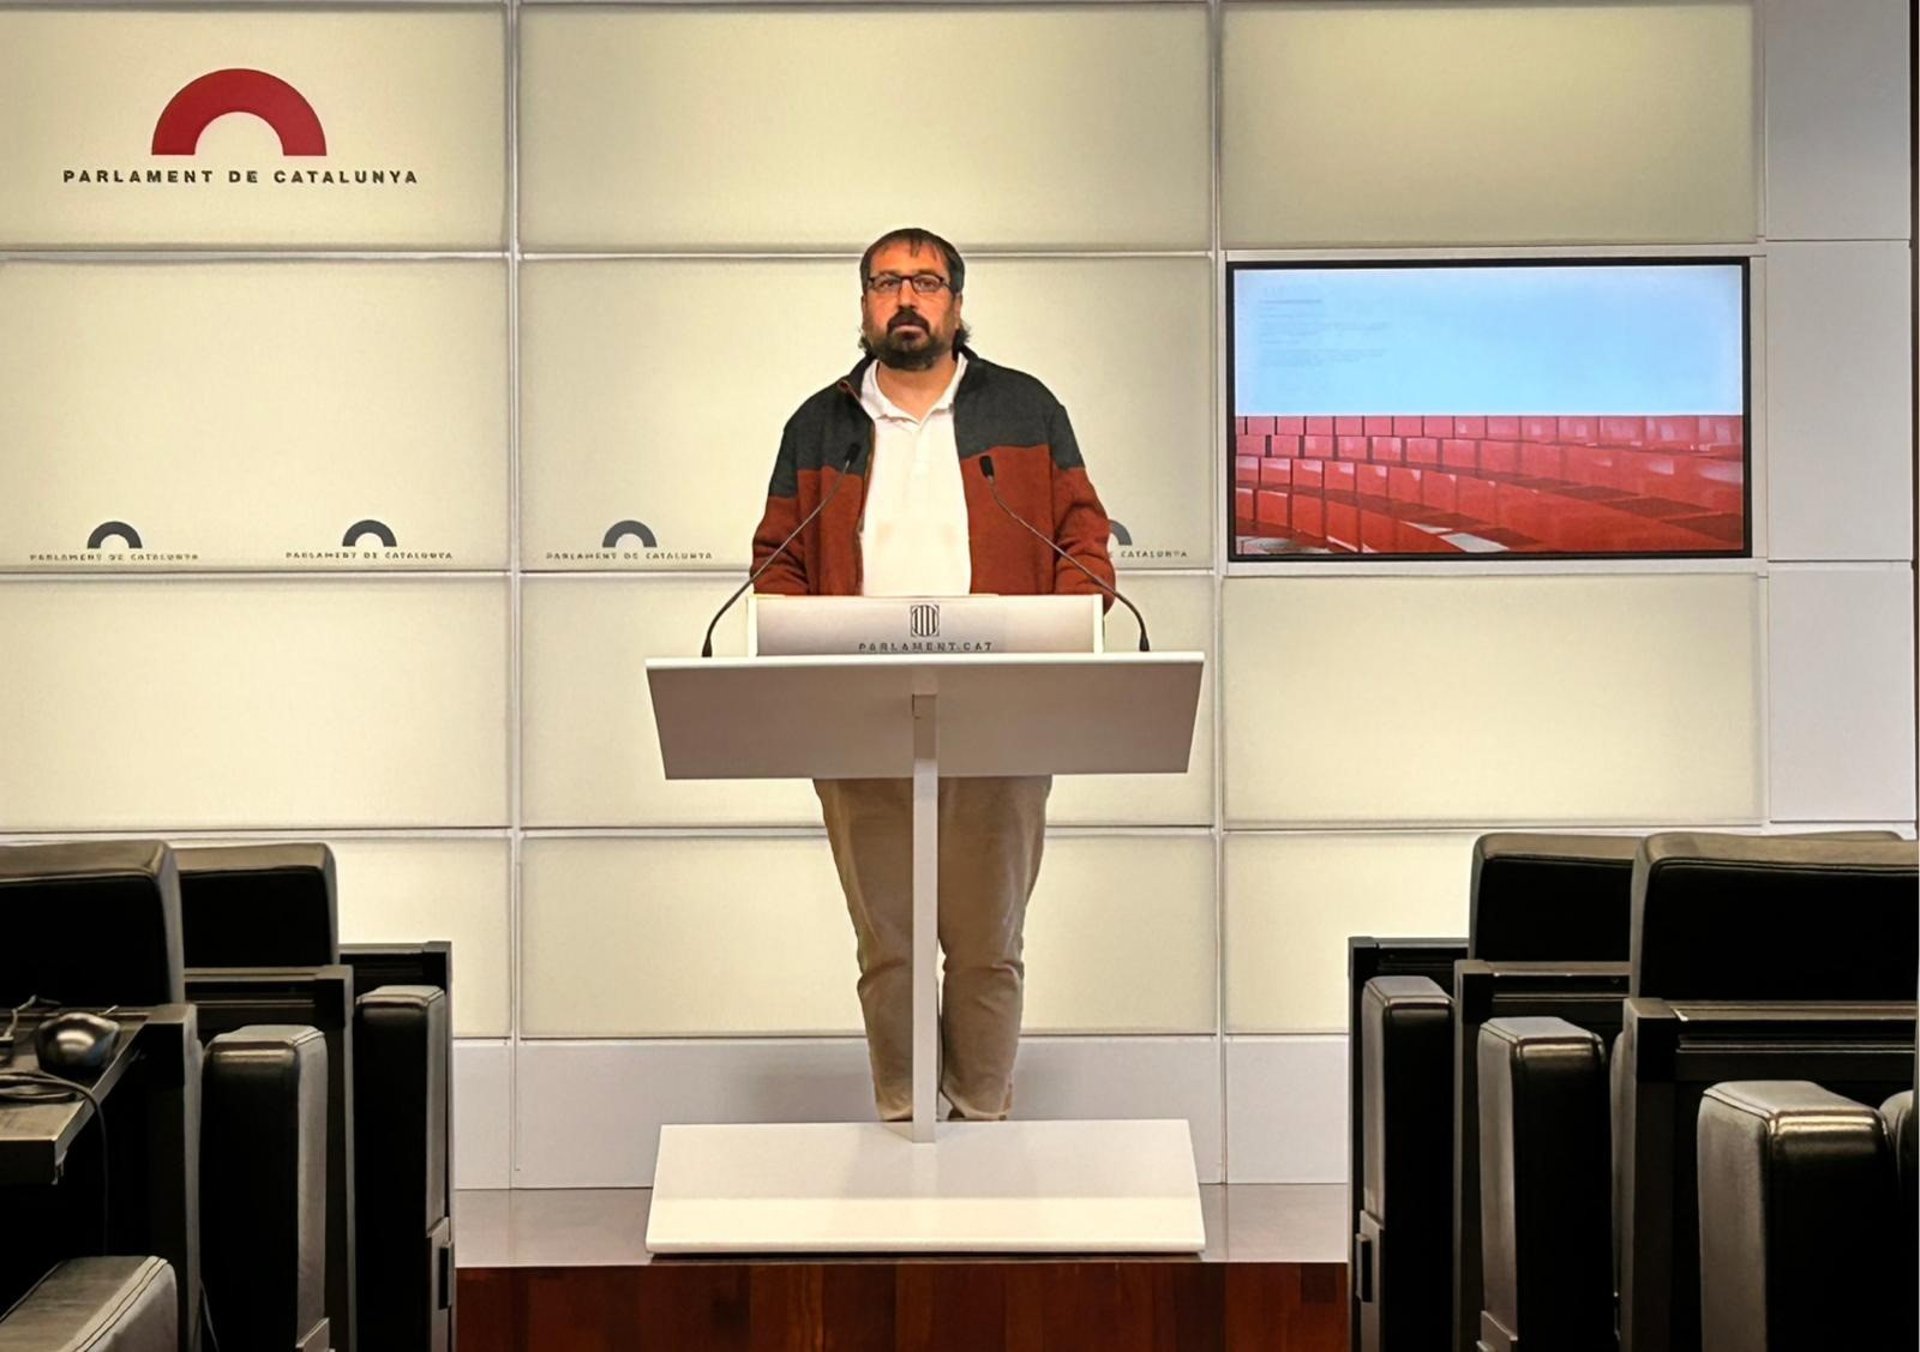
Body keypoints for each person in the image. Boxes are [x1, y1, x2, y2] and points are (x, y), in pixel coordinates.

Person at [748, 226, 1115, 1122]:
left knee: (988, 945)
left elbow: (1085, 542)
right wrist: (801, 635)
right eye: (886, 283)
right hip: (859, 719)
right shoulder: (821, 424)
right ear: (864, 304)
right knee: (890, 948)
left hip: (1003, 715)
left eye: (925, 281)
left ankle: (981, 1117)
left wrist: (1059, 631)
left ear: (956, 302)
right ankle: (906, 1117)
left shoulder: (1025, 410)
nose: (905, 298)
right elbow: (777, 562)